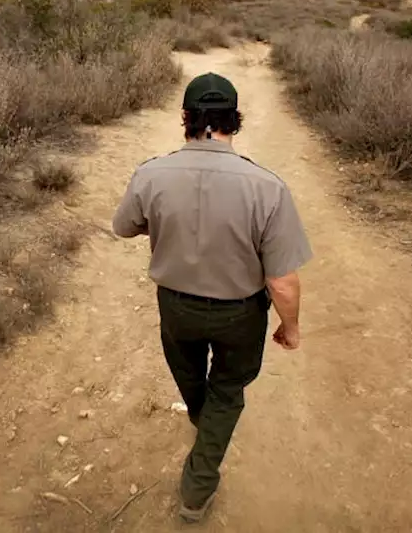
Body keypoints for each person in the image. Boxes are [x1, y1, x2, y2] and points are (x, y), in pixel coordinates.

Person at [111, 72, 312, 523]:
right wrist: (291, 326)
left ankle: (207, 426)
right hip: (239, 314)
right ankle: (197, 486)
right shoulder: (268, 186)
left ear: (185, 117)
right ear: (234, 121)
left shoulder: (152, 172)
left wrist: (161, 222)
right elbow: (282, 281)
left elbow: (124, 227)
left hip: (176, 308)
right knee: (227, 390)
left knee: (189, 376)